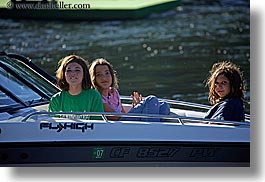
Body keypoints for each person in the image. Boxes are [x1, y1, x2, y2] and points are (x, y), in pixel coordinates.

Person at [89, 58, 170, 121]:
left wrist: (136, 107)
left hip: (125, 120)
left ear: (112, 75)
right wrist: (139, 109)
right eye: (99, 75)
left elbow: (123, 112)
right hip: (118, 125)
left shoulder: (114, 93)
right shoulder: (96, 96)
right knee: (151, 100)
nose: (104, 78)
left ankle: (152, 128)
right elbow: (115, 117)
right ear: (94, 78)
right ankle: (151, 132)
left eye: (107, 73)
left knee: (164, 106)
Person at [48, 55, 104, 120]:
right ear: (63, 75)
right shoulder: (56, 100)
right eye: (69, 70)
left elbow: (97, 125)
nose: (73, 74)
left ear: (84, 74)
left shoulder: (94, 96)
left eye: (77, 70)